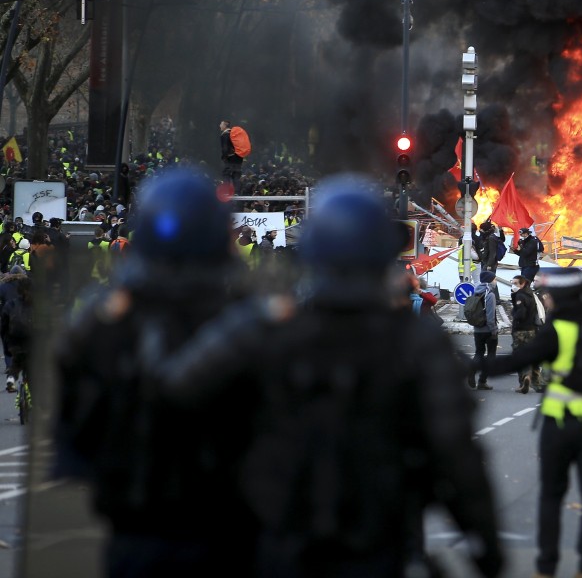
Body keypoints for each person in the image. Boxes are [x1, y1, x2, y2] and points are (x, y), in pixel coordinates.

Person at [150, 175, 503, 578]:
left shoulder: (263, 328)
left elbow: (176, 397)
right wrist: (487, 550)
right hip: (378, 546)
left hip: (278, 544)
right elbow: (457, 456)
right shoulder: (417, 342)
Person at [54, 168, 259, 578]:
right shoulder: (248, 325)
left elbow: (73, 443)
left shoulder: (103, 324)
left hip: (134, 530)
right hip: (228, 533)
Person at [483, 268, 582, 578]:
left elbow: (515, 362)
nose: (545, 298)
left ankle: (546, 568)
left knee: (551, 496)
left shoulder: (557, 329)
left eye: (548, 294)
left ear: (559, 295)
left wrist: (472, 364)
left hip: (559, 425)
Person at [510, 274, 542, 393]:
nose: (513, 286)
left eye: (515, 284)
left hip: (520, 330)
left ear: (522, 284)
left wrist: (514, 314)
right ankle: (537, 383)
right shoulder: (531, 294)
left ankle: (524, 379)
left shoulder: (521, 296)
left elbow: (521, 314)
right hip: (532, 330)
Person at [468, 270, 499, 391]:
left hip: (478, 329)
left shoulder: (476, 292)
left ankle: (472, 369)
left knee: (479, 353)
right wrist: (494, 330)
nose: (495, 281)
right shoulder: (489, 294)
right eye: (494, 278)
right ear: (490, 280)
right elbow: (491, 315)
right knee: (491, 355)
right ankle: (482, 381)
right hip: (488, 329)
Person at [220, 119, 243, 193]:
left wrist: (224, 157)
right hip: (238, 157)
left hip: (230, 157)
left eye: (221, 124)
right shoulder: (234, 134)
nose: (220, 126)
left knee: (226, 173)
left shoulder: (225, 134)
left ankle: (227, 191)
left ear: (225, 125)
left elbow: (225, 147)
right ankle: (237, 192)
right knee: (236, 174)